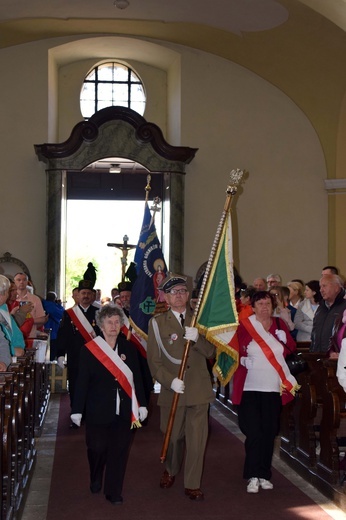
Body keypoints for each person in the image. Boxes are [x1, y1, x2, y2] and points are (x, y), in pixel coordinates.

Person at [147, 273, 215, 501]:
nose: (179, 296)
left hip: (198, 389)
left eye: (183, 292)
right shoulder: (156, 323)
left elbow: (212, 352)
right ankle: (171, 469)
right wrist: (169, 381)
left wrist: (198, 339)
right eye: (174, 292)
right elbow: (154, 362)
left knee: (197, 441)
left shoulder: (200, 320)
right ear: (165, 296)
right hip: (172, 390)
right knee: (173, 437)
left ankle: (192, 483)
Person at [71, 304, 147, 505]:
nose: (113, 326)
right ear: (101, 326)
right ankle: (96, 475)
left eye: (116, 322)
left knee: (119, 450)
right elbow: (82, 382)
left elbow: (137, 379)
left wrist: (142, 405)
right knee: (96, 448)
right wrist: (77, 410)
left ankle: (113, 491)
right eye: (109, 322)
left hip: (124, 410)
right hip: (98, 409)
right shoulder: (89, 350)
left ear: (121, 325)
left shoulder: (129, 349)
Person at [232, 291, 299, 493]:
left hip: (272, 388)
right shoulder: (244, 326)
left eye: (267, 303)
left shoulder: (279, 325)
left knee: (269, 432)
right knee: (254, 433)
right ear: (252, 307)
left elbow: (290, 350)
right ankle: (252, 475)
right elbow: (231, 352)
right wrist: (242, 360)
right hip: (250, 388)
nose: (264, 307)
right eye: (260, 304)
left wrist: (284, 340)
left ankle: (264, 474)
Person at [56, 279, 100, 408]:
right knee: (75, 384)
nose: (85, 296)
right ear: (78, 295)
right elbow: (63, 335)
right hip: (75, 355)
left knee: (93, 384)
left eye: (88, 293)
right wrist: (60, 354)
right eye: (83, 293)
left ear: (93, 295)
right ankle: (76, 412)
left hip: (94, 356)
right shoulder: (69, 314)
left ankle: (91, 412)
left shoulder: (99, 312)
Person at [310, 274, 346, 353]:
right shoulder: (321, 307)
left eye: (324, 286)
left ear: (336, 288)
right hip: (317, 355)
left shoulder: (344, 307)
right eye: (320, 287)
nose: (321, 290)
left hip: (336, 356)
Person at [0, 275, 25, 363]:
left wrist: (19, 347)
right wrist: (12, 350)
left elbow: (16, 333)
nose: (8, 295)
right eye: (8, 291)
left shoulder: (3, 310)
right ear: (1, 294)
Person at [14, 272, 47, 338]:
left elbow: (42, 319)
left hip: (30, 336)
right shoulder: (11, 298)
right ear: (14, 282)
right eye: (19, 280)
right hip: (13, 336)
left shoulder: (35, 299)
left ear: (27, 282)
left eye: (24, 280)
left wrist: (28, 321)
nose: (21, 282)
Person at [42, 291, 64, 361]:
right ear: (55, 298)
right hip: (53, 333)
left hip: (43, 332)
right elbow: (62, 314)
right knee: (52, 355)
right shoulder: (52, 306)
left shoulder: (42, 304)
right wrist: (59, 305)